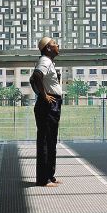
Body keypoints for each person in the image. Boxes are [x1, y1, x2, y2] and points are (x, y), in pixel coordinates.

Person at [30, 36, 64, 186]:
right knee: (45, 141)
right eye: (54, 43)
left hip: (52, 104)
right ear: (48, 48)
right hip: (47, 106)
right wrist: (43, 95)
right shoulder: (45, 60)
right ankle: (43, 179)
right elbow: (36, 77)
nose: (58, 45)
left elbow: (35, 80)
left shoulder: (49, 62)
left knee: (51, 141)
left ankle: (50, 176)